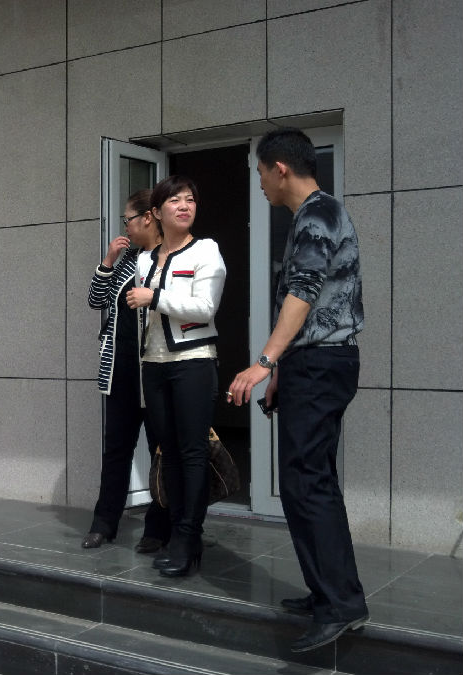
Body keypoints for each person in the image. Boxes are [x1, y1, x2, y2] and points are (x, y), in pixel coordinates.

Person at [226, 127, 368, 652]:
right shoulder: (312, 215)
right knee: (308, 482)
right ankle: (327, 591)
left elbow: (303, 294)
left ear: (280, 168)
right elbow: (306, 299)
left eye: (261, 172)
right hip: (312, 365)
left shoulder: (317, 214)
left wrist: (264, 362)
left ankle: (341, 605)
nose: (260, 183)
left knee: (307, 484)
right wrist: (283, 370)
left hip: (322, 365)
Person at [126, 176, 226, 577]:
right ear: (156, 212)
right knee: (166, 452)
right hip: (154, 364)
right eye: (175, 200)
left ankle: (189, 537)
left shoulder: (206, 250)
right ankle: (174, 533)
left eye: (190, 200)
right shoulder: (145, 260)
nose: (184, 206)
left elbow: (205, 307)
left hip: (194, 362)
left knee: (192, 452)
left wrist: (155, 297)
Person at [83, 189, 170, 553]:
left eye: (128, 220)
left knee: (161, 450)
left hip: (159, 372)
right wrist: (108, 260)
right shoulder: (128, 258)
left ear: (148, 218)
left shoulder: (171, 255)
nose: (126, 227)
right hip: (121, 372)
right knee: (117, 449)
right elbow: (95, 300)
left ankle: (158, 529)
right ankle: (104, 524)